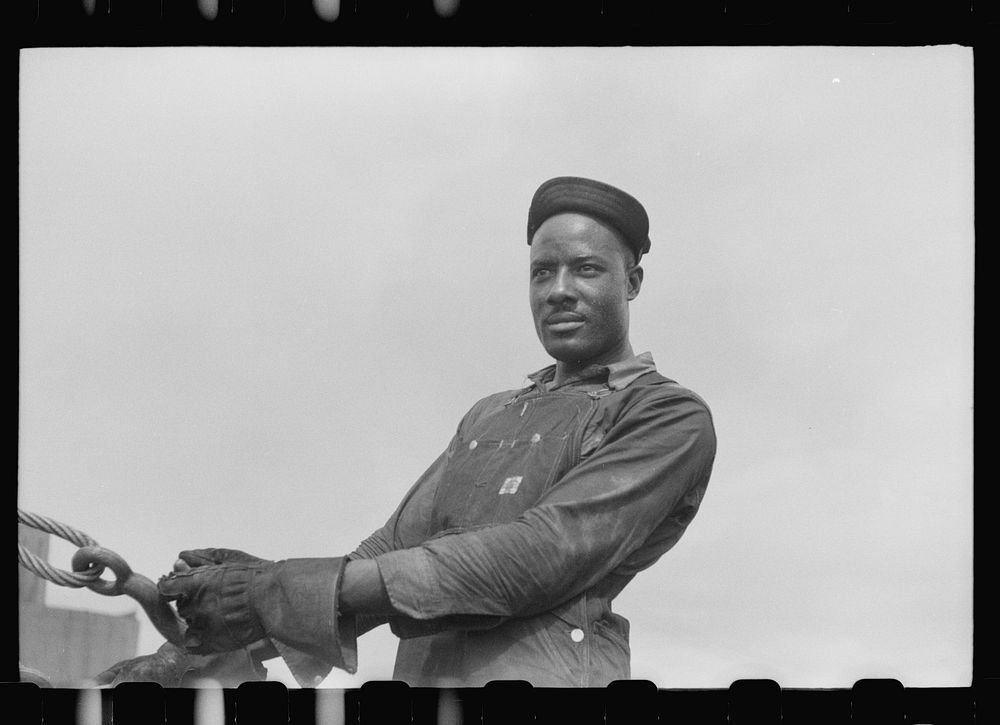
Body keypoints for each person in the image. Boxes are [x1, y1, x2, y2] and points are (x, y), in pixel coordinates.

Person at [95, 176, 717, 688]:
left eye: (585, 270)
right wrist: (192, 653)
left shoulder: (666, 416)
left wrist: (274, 587)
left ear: (631, 281)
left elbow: (536, 556)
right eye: (541, 273)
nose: (558, 291)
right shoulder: (493, 412)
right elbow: (387, 553)